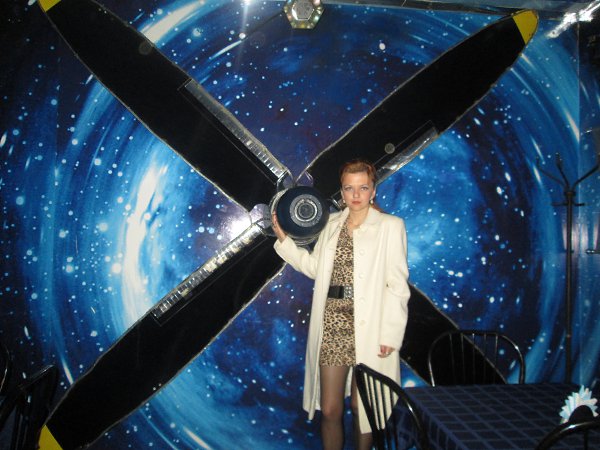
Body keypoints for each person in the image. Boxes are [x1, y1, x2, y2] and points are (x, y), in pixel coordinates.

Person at [271, 159, 410, 450]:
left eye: (363, 188)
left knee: (363, 409)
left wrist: (390, 334)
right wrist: (285, 241)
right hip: (334, 323)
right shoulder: (332, 224)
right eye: (349, 188)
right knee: (330, 409)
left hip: (371, 327)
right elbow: (315, 268)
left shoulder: (390, 226)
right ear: (342, 191)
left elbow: (397, 287)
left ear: (373, 190)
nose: (356, 195)